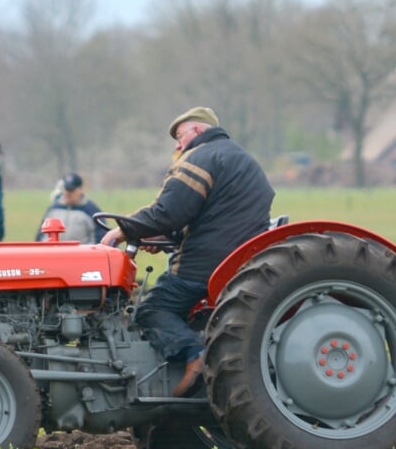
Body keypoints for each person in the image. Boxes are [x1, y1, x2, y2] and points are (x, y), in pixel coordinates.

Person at [100, 107, 274, 395]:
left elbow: (169, 211)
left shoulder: (201, 157)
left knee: (152, 309)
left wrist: (122, 231)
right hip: (233, 259)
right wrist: (164, 236)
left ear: (197, 131)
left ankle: (195, 354)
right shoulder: (239, 157)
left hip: (204, 265)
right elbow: (211, 216)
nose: (177, 145)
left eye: (180, 137)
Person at [34, 172, 102, 242]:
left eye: (71, 190)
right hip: (52, 252)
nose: (67, 193)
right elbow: (40, 235)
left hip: (80, 253)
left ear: (81, 189)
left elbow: (100, 237)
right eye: (66, 189)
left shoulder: (91, 210)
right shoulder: (53, 209)